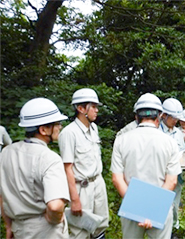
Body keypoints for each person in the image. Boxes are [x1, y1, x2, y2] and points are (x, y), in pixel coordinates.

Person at [111, 93, 181, 238]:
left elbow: (117, 179)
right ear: (159, 116)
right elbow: (172, 181)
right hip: (160, 207)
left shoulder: (121, 140)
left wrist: (138, 209)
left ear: (136, 117)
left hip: (131, 207)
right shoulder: (170, 143)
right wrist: (151, 211)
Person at [0, 97, 70, 239]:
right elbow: (55, 206)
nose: (60, 127)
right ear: (43, 130)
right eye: (56, 123)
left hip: (18, 229)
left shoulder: (6, 153)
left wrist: (8, 225)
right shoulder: (50, 158)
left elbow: (2, 196)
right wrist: (54, 219)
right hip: (46, 231)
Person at [59, 88, 109, 239]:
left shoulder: (94, 128)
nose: (96, 110)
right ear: (81, 108)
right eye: (93, 106)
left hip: (98, 182)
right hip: (81, 187)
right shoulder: (69, 133)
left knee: (100, 225)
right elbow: (67, 168)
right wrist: (74, 200)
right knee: (80, 231)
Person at [159, 98, 184, 230]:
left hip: (176, 175)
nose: (175, 121)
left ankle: (174, 228)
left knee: (174, 203)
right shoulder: (156, 131)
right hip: (160, 175)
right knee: (161, 203)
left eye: (177, 118)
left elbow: (182, 152)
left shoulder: (178, 133)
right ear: (164, 115)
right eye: (172, 118)